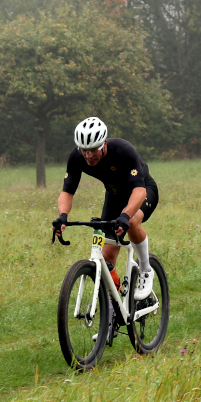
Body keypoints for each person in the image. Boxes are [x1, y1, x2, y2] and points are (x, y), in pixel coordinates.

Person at [53, 117, 159, 301]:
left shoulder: (123, 150)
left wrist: (125, 215)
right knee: (106, 258)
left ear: (104, 144)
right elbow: (67, 192)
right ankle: (112, 312)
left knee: (132, 221)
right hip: (115, 195)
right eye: (84, 150)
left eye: (93, 150)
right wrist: (63, 215)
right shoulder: (77, 157)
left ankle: (145, 269)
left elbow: (139, 190)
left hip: (142, 190)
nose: (88, 155)